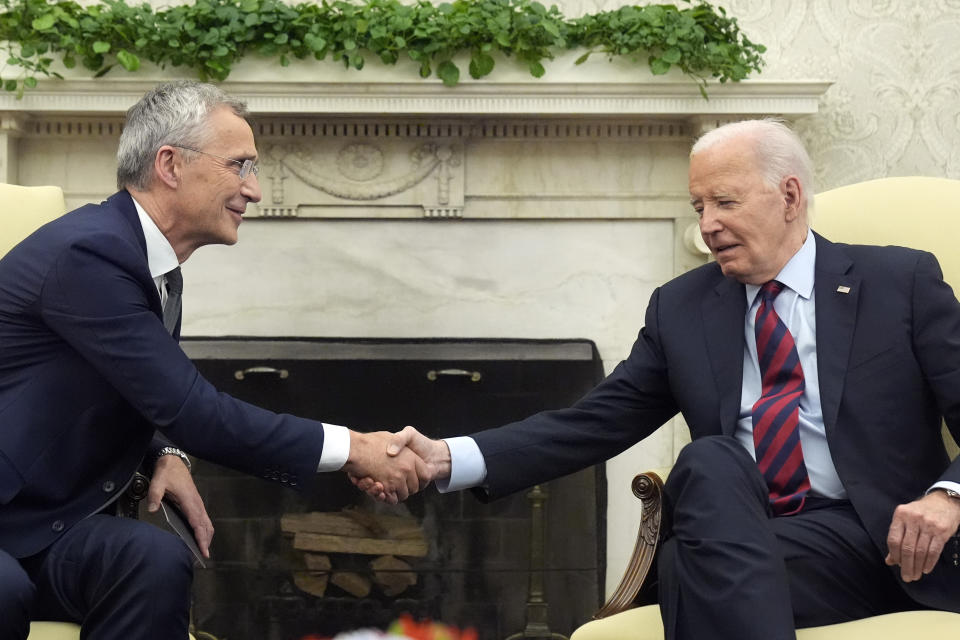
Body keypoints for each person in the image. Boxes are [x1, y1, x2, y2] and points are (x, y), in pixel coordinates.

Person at [359, 119, 960, 639]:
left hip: (883, 543)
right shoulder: (683, 308)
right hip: (760, 540)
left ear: (789, 195)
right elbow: (591, 422)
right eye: (699, 207)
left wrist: (946, 496)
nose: (708, 225)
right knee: (711, 464)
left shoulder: (897, 283)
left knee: (685, 567)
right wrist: (444, 459)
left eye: (725, 202)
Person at [0, 80, 429, 640]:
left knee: (151, 562)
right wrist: (354, 448)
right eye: (240, 166)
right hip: (13, 524)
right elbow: (192, 408)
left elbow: (132, 390)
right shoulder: (91, 255)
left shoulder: (149, 266)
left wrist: (164, 449)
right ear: (171, 165)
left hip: (37, 525)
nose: (254, 190)